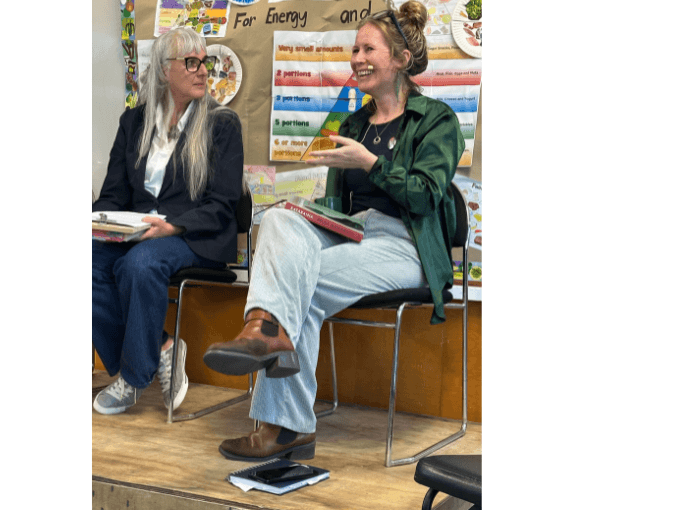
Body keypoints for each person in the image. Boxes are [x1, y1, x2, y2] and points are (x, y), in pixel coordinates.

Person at [202, 0, 464, 461]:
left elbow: (425, 195)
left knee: (296, 281)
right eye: (354, 49)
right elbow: (338, 205)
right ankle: (264, 329)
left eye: (368, 49)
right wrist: (311, 214)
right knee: (280, 219)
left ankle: (285, 426)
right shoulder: (354, 122)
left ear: (401, 60)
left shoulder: (437, 119)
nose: (357, 58)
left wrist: (371, 164)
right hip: (354, 234)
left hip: (407, 245)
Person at [92, 27, 244, 415]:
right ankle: (160, 346)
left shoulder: (222, 124)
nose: (202, 71)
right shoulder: (134, 122)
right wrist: (101, 222)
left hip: (195, 236)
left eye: (204, 62)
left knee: (139, 265)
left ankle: (131, 378)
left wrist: (173, 226)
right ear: (163, 71)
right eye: (190, 62)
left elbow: (223, 204)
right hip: (138, 234)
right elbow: (113, 195)